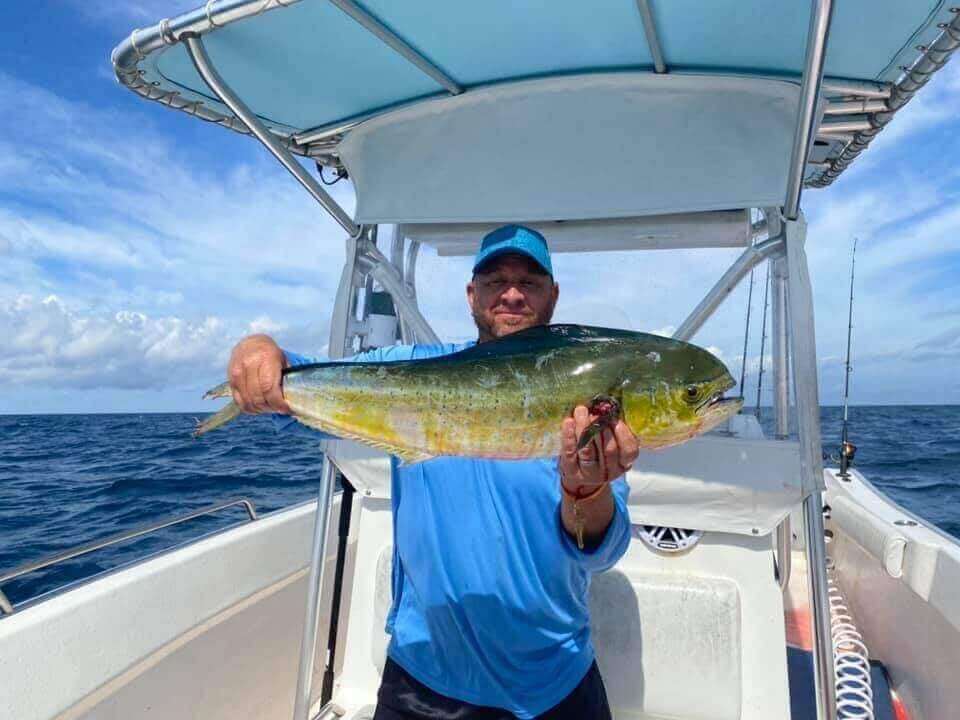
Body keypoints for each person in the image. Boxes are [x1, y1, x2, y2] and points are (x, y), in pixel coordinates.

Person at [227, 224, 639, 719]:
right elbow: (301, 382)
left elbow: (600, 551)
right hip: (422, 685)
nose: (511, 294)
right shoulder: (412, 367)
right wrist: (260, 351)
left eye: (529, 282)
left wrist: (586, 488)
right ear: (471, 294)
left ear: (553, 296)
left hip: (552, 683)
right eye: (494, 280)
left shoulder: (587, 396)